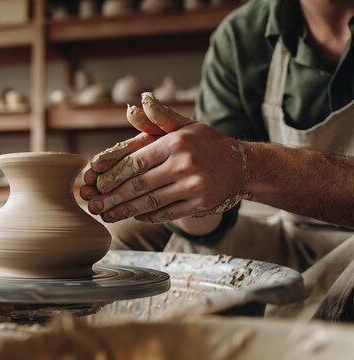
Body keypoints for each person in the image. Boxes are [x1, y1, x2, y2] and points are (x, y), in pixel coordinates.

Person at [80, 0, 354, 319]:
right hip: (292, 232)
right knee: (125, 237)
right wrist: (187, 189)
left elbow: (238, 168)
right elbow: (217, 210)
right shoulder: (244, 33)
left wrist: (247, 165)